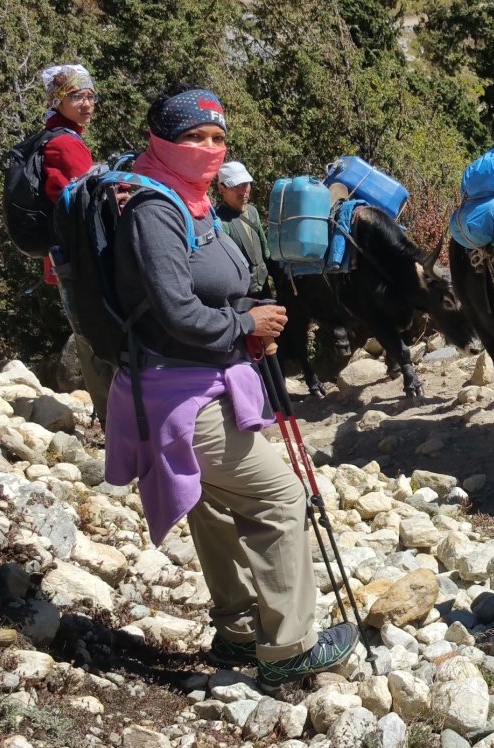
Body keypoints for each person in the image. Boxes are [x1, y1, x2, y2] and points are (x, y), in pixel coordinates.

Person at [104, 85, 356, 692]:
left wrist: (247, 316)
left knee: (214, 504)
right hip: (178, 395)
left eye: (218, 137)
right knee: (281, 499)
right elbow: (175, 311)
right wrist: (245, 325)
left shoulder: (191, 202)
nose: (209, 148)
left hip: (192, 383)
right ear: (162, 140)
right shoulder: (154, 208)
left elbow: (204, 292)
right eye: (194, 136)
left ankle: (240, 628)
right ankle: (288, 648)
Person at [38, 63, 116, 427]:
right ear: (57, 100)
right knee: (94, 336)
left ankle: (112, 420)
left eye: (90, 96)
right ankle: (115, 422)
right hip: (77, 259)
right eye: (75, 96)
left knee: (88, 338)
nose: (86, 103)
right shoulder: (66, 143)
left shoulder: (54, 136)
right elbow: (86, 199)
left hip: (62, 255)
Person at [214, 161, 271, 297]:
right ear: (221, 188)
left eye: (246, 184)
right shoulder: (220, 222)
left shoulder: (252, 212)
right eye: (236, 186)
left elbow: (265, 251)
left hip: (264, 289)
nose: (243, 191)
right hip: (242, 295)